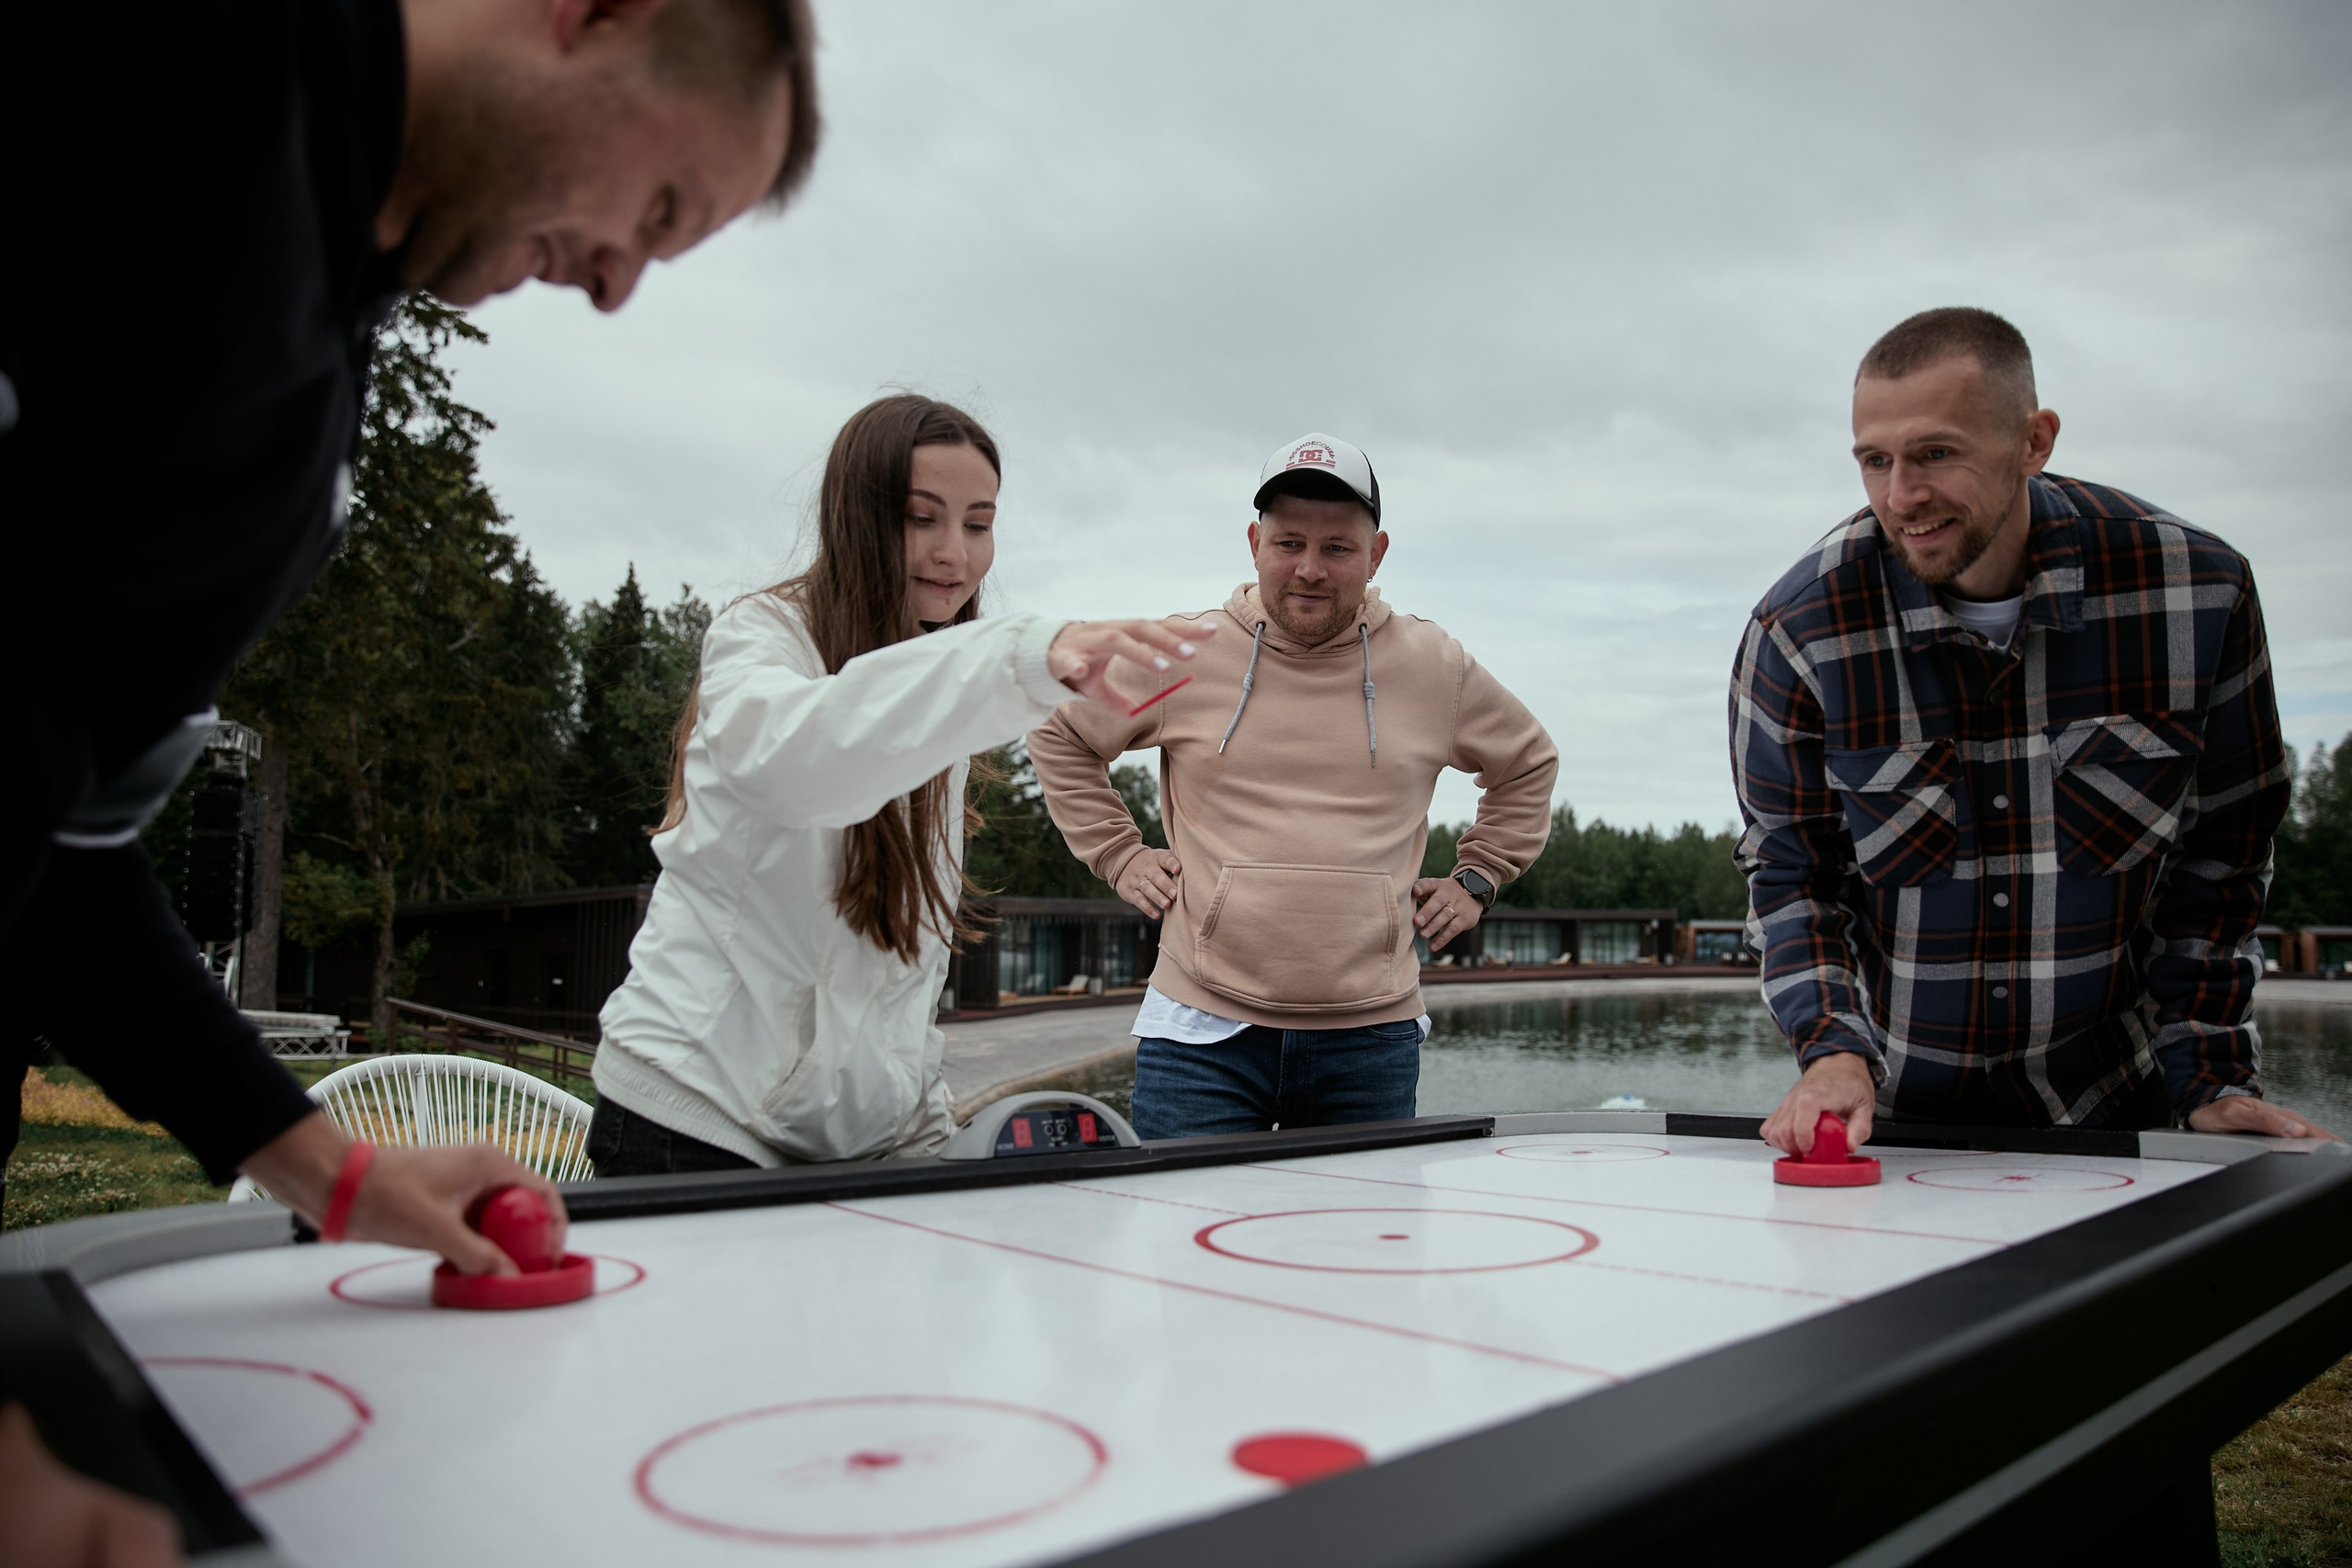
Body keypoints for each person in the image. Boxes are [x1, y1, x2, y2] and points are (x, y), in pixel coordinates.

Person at [0, 0, 820, 1557]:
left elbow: (59, 852)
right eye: (656, 213)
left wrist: (328, 1165)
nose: (617, 288)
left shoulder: (315, 366)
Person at [1733, 307, 2336, 1154]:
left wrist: (2209, 1073)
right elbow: (1792, 873)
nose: (1901, 495)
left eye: (1936, 453)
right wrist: (1831, 1048)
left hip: (2121, 1117)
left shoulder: (2201, 595)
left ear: (2033, 440)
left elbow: (2224, 858)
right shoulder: (1799, 631)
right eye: (1876, 460)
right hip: (1898, 1129)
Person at [586, 395, 1210, 1173]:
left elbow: (899, 980)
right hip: (690, 1123)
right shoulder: (761, 640)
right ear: (856, 517)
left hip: (850, 1146)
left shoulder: (936, 692)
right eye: (923, 518)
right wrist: (1018, 656)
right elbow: (795, 766)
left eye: (978, 524)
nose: (955, 552)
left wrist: (920, 1137)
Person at [1029, 433, 1558, 1139]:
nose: (1310, 568)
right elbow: (1058, 732)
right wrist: (1119, 855)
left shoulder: (1436, 667)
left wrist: (1478, 878)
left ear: (1377, 554)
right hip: (1200, 1036)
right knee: (1183, 1245)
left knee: (1360, 1250)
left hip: (1370, 1041)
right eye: (1289, 543)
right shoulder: (1180, 653)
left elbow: (1527, 764)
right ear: (1254, 542)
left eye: (1338, 547)